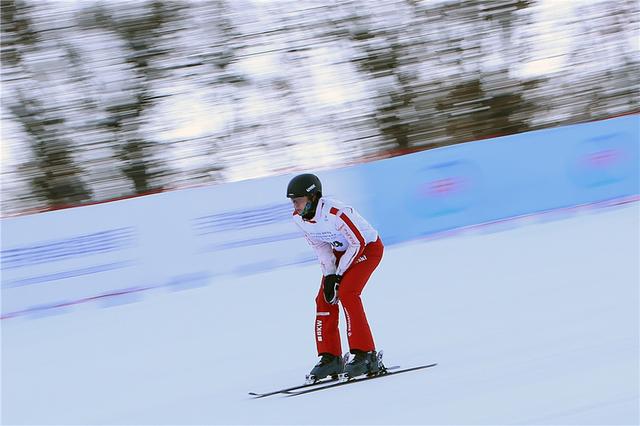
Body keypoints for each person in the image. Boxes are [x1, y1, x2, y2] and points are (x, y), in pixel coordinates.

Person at [286, 173, 385, 381]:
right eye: (293, 202)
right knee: (324, 298)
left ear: (313, 197)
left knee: (348, 293)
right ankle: (330, 357)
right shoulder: (299, 219)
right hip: (341, 254)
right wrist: (330, 276)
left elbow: (358, 243)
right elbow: (321, 248)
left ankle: (366, 354)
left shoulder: (335, 213)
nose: (295, 206)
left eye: (298, 201)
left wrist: (339, 276)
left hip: (367, 249)